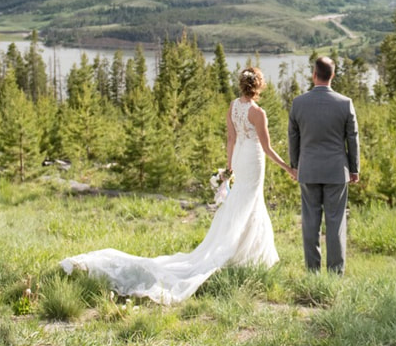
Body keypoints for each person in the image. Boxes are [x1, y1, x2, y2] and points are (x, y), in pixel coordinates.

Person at [59, 66, 296, 304]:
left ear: (242, 85)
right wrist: (287, 167)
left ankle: (246, 253)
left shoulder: (234, 107)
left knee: (241, 203)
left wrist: (229, 167)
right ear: (258, 86)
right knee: (250, 202)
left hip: (239, 159)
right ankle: (246, 255)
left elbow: (231, 139)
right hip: (253, 160)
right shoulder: (258, 113)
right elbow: (266, 148)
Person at [288, 55, 360, 273]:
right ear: (333, 76)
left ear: (314, 75)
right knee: (336, 221)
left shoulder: (299, 103)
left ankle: (313, 271)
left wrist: (294, 165)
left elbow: (293, 137)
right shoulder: (344, 103)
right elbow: (352, 138)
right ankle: (335, 273)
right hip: (337, 170)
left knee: (310, 222)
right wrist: (354, 169)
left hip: (308, 169)